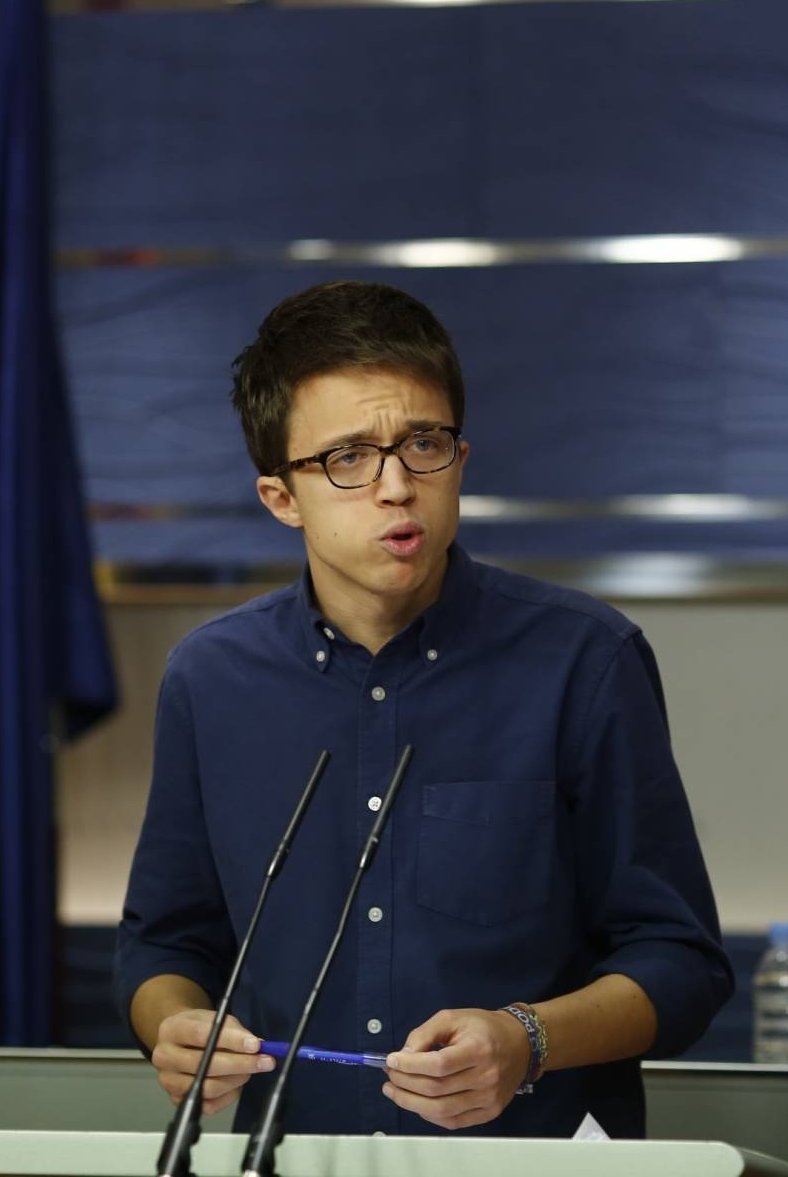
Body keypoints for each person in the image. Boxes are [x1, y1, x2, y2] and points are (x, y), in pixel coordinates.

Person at [114, 281, 731, 1138]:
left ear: (461, 458)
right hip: (295, 1156)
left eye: (423, 444)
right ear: (281, 497)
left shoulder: (584, 660)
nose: (397, 486)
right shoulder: (211, 679)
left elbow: (683, 963)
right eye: (348, 458)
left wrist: (528, 1038)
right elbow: (162, 948)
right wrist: (172, 1027)